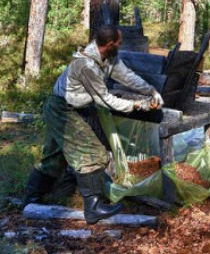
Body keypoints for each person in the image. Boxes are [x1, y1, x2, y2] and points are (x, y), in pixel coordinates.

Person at [23, 25, 164, 224]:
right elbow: (105, 100)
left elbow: (127, 76)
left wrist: (151, 90)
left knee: (54, 158)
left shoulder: (109, 57)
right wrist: (138, 105)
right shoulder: (86, 66)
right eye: (119, 43)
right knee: (93, 154)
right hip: (63, 110)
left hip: (69, 107)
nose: (120, 45)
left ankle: (31, 200)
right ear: (109, 45)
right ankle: (94, 207)